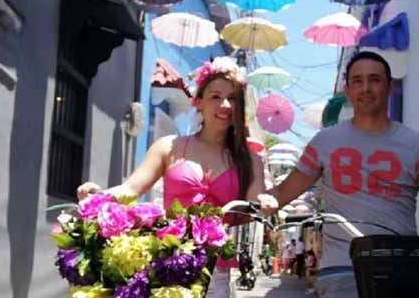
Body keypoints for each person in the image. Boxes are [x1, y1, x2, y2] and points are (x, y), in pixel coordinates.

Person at [264, 51, 419, 298]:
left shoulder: (417, 145)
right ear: (348, 90)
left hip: (401, 267)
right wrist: (246, 208)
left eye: (374, 80)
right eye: (357, 81)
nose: (365, 88)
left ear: (390, 87)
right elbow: (283, 192)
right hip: (341, 269)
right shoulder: (324, 142)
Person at [77, 56, 273, 298]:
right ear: (198, 102)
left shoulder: (249, 160)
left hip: (215, 271)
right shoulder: (168, 146)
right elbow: (131, 189)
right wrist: (99, 196)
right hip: (168, 262)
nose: (225, 105)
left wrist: (266, 203)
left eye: (233, 98)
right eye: (215, 97)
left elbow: (255, 203)